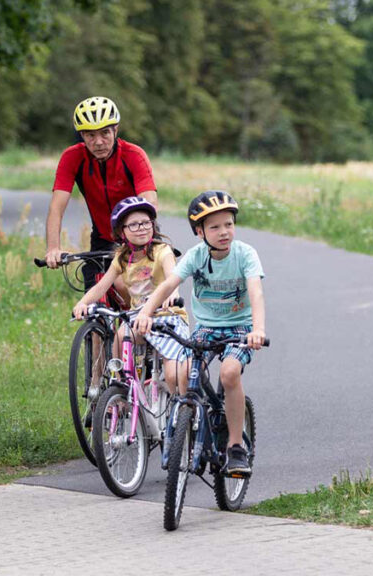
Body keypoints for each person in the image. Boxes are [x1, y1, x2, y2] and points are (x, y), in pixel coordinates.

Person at [136, 190, 266, 477]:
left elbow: (255, 292)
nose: (223, 232)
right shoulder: (195, 256)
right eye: (215, 227)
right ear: (199, 232)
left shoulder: (245, 254)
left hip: (240, 328)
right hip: (206, 328)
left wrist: (257, 330)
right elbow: (169, 284)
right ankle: (193, 421)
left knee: (229, 373)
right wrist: (146, 313)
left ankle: (234, 447)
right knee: (181, 375)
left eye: (228, 224)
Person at [73, 197, 190, 396]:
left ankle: (181, 411)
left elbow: (173, 277)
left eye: (146, 223)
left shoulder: (162, 251)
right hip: (139, 318)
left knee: (174, 375)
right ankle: (121, 387)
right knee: (121, 336)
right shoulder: (121, 258)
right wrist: (82, 303)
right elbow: (101, 286)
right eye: (134, 225)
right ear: (121, 231)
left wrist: (174, 295)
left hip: (167, 315)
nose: (142, 228)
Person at [46, 96, 158, 294]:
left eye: (105, 133)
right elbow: (56, 208)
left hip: (140, 234)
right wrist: (53, 248)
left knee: (135, 297)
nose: (98, 142)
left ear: (116, 130)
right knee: (92, 300)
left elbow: (149, 202)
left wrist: (140, 238)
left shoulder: (133, 155)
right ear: (81, 135)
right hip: (102, 238)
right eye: (90, 135)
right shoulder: (72, 157)